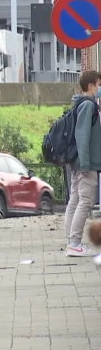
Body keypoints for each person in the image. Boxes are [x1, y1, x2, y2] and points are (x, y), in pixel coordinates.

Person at [65, 70, 101, 257]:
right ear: (91, 86)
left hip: (76, 161)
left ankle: (71, 240)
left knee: (75, 200)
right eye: (99, 84)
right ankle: (75, 243)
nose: (100, 88)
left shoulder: (78, 103)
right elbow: (83, 135)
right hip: (85, 163)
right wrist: (86, 164)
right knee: (85, 201)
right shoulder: (88, 105)